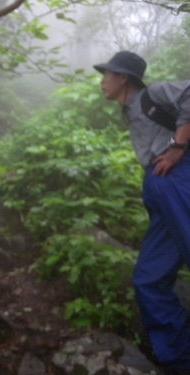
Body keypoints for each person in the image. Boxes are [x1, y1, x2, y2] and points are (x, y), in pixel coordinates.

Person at [94, 50, 190, 374]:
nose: (103, 81)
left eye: (107, 74)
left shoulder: (152, 94)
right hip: (159, 185)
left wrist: (178, 147)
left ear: (123, 78)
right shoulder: (130, 111)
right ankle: (181, 362)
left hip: (176, 178)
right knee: (149, 279)